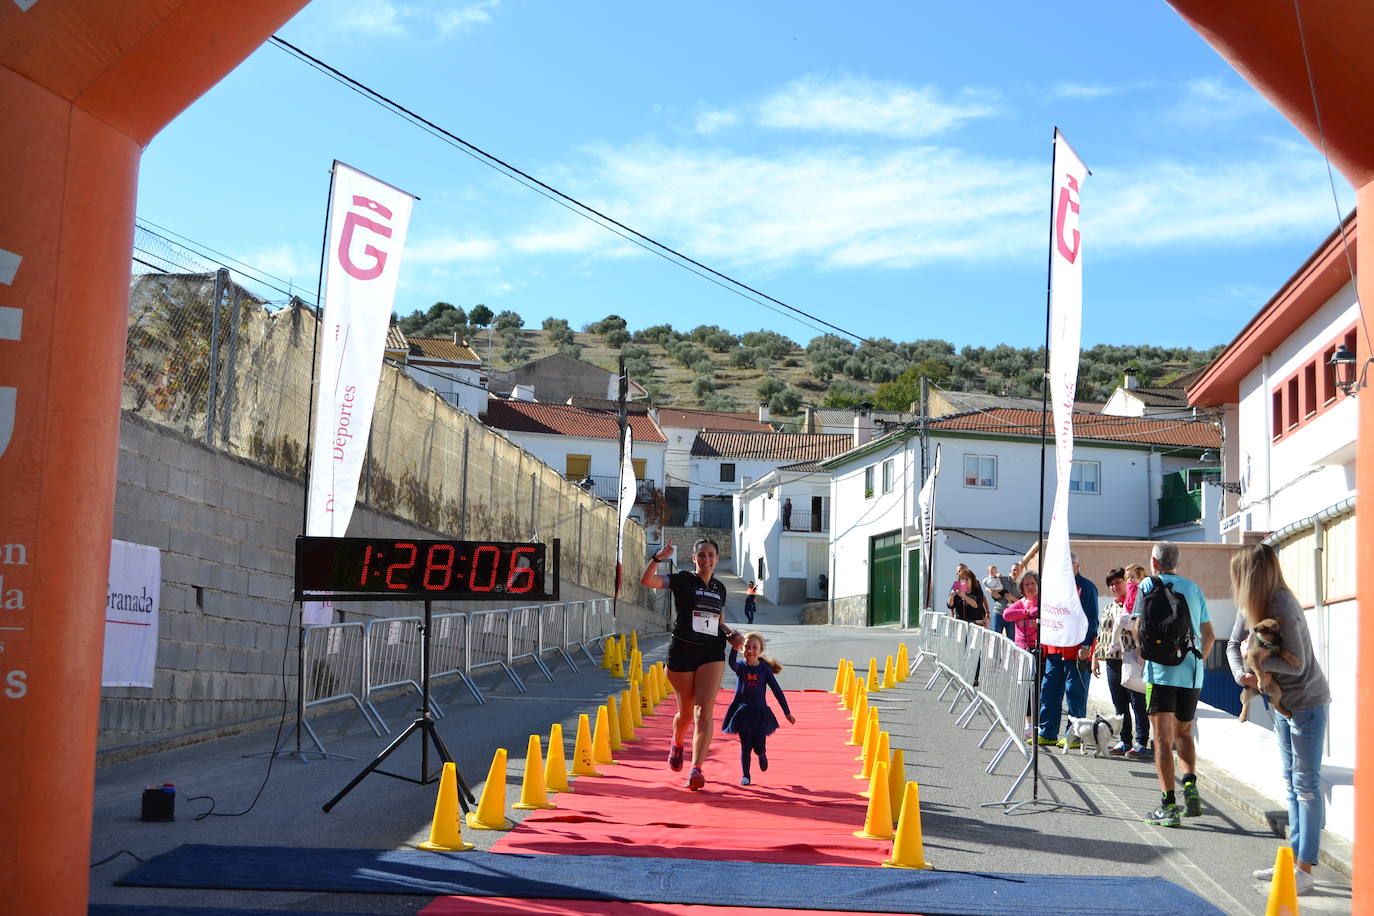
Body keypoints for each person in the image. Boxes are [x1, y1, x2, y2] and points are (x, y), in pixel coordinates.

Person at [1226, 543, 1330, 895]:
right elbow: (1232, 645)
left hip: (1306, 703)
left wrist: (1258, 666)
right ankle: (1292, 861)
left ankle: (1305, 867)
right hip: (1280, 705)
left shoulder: (1282, 605)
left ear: (1252, 576)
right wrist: (1243, 673)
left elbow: (1297, 663)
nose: (1235, 583)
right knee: (1290, 783)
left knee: (1305, 786)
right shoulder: (1250, 606)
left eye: (1239, 576)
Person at [640, 538, 745, 791]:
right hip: (683, 652)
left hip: (712, 652)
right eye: (701, 555)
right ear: (694, 558)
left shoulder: (720, 588)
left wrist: (732, 635)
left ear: (717, 558)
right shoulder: (682, 579)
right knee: (686, 714)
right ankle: (677, 744)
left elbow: (718, 623)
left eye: (711, 555)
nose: (706, 559)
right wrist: (657, 559)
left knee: (703, 710)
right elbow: (648, 581)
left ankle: (696, 769)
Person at [1135, 541, 1214, 828]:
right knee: (1184, 732)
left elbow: (1137, 627)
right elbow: (1209, 635)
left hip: (1160, 672)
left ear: (1155, 562)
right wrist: (1198, 661)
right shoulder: (1194, 589)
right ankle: (1190, 783)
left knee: (1162, 738)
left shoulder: (1147, 585)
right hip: (1191, 671)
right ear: (1177, 563)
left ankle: (1169, 806)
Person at [1034, 552, 1099, 748]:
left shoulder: (1086, 587)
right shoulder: (1053, 588)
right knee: (1049, 692)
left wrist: (1087, 644)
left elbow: (1092, 619)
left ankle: (1075, 736)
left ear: (1077, 566)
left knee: (1075, 695)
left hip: (1076, 651)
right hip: (1054, 650)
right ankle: (1047, 733)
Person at [721, 632, 796, 786]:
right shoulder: (741, 667)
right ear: (743, 650)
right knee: (746, 746)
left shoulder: (764, 669)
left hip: (760, 713)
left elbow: (777, 690)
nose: (750, 650)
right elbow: (732, 664)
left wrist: (787, 712)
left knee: (758, 747)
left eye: (754, 647)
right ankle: (746, 775)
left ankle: (762, 755)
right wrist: (734, 649)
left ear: (760, 650)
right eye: (747, 647)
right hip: (743, 713)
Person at [1093, 568, 1150, 759]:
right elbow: (1102, 634)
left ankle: (1141, 742)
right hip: (1112, 661)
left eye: (1118, 582)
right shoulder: (1109, 608)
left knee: (1137, 703)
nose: (1114, 587)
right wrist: (1095, 657)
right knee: (1120, 704)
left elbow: (1141, 628)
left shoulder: (1135, 605)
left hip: (1131, 659)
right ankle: (1125, 740)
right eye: (1111, 584)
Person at [1002, 571, 1043, 741]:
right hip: (1023, 651)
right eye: (1026, 584)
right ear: (1022, 588)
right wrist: (1026, 613)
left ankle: (1040, 723)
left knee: (1039, 688)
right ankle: (1028, 723)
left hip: (1039, 650)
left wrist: (1032, 612)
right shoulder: (1020, 603)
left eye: (1033, 583)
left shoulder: (1042, 602)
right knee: (1026, 689)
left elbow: (1039, 612)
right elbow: (1007, 615)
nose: (1030, 587)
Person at [983, 563, 1018, 639]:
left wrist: (1012, 598)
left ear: (1021, 571)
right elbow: (987, 586)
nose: (1016, 572)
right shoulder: (1002, 579)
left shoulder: (1022, 585)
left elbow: (1022, 602)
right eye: (1014, 570)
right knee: (995, 639)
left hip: (1012, 615)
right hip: (999, 612)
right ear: (1010, 571)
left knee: (1011, 640)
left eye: (1018, 570)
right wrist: (991, 592)